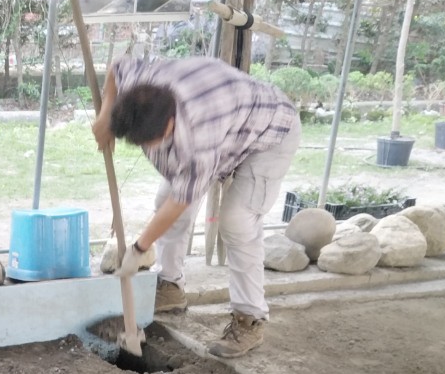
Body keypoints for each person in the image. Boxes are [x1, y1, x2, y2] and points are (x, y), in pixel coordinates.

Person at [92, 56, 302, 358]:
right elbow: (117, 67)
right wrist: (105, 115)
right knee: (164, 201)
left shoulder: (197, 136)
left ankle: (249, 318)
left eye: (152, 142)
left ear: (170, 123)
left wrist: (138, 250)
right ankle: (170, 286)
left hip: (269, 133)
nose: (148, 149)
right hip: (230, 121)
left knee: (236, 221)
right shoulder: (141, 86)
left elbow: (181, 201)